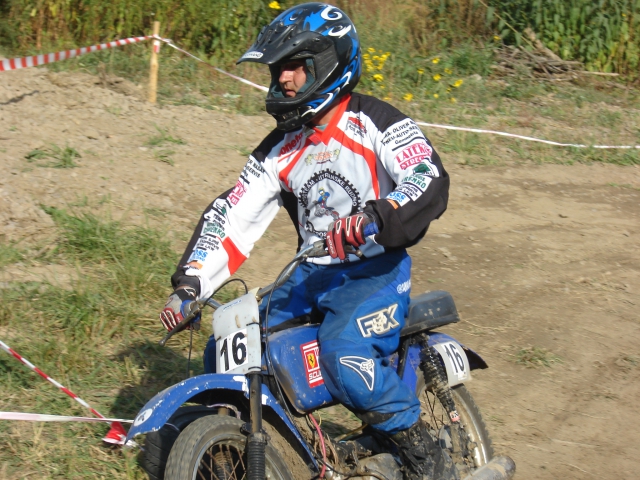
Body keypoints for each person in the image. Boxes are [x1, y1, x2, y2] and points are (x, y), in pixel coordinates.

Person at [159, 3, 457, 479]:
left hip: (374, 271)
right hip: (310, 273)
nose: (283, 79)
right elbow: (232, 216)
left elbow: (426, 176)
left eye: (295, 66)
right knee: (228, 342)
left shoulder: (378, 122)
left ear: (329, 63)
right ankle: (255, 446)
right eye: (278, 69)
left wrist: (376, 215)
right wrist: (190, 285)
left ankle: (424, 452)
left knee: (342, 354)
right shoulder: (279, 148)